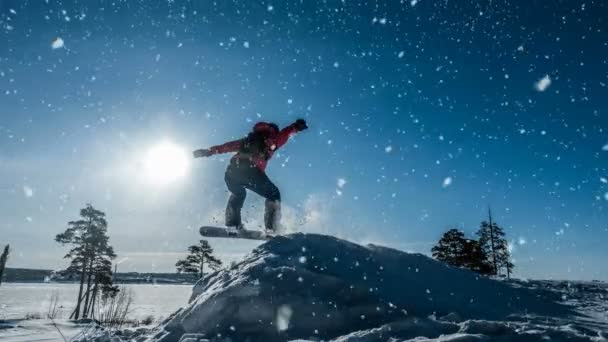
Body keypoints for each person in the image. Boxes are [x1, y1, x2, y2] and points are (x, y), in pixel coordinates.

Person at [193, 119, 308, 234]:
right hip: (251, 172)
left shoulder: (246, 141)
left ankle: (233, 225)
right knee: (274, 194)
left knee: (238, 194)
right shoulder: (273, 139)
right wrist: (296, 126)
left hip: (231, 173)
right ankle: (271, 228)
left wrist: (208, 151)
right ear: (273, 131)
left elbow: (226, 147)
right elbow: (286, 132)